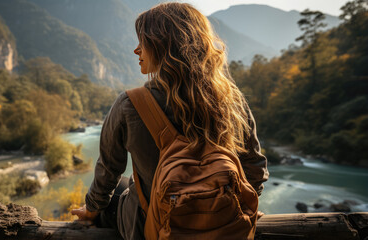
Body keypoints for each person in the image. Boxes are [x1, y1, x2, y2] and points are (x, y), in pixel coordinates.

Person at [71, 2, 269, 239]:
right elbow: (254, 167)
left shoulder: (129, 104)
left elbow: (107, 173)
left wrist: (92, 210)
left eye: (142, 41)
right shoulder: (231, 100)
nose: (136, 50)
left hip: (150, 227)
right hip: (221, 222)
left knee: (118, 191)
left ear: (163, 46)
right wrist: (237, 210)